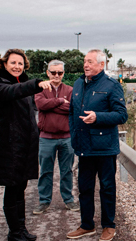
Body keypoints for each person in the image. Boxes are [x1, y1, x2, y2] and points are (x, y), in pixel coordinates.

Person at [0, 49, 51, 241]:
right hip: (10, 145)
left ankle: (21, 229)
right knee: (12, 189)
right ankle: (14, 233)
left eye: (20, 63)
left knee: (21, 188)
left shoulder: (20, 84)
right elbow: (12, 92)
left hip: (25, 145)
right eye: (13, 63)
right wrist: (35, 84)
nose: (17, 66)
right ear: (4, 64)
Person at [66, 49, 127, 241]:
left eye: (90, 62)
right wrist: (74, 134)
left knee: (107, 188)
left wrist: (98, 117)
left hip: (105, 147)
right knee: (84, 187)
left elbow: (121, 115)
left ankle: (108, 226)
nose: (86, 65)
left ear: (102, 65)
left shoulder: (111, 85)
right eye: (85, 61)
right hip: (84, 146)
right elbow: (72, 113)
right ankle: (87, 225)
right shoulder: (77, 84)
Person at [33, 60, 78, 215]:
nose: (56, 75)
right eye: (53, 72)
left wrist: (51, 106)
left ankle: (68, 199)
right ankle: (44, 201)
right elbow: (41, 105)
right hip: (46, 137)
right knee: (45, 171)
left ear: (63, 73)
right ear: (48, 73)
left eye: (59, 72)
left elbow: (72, 108)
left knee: (67, 171)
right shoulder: (41, 88)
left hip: (67, 137)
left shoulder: (70, 90)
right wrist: (59, 101)